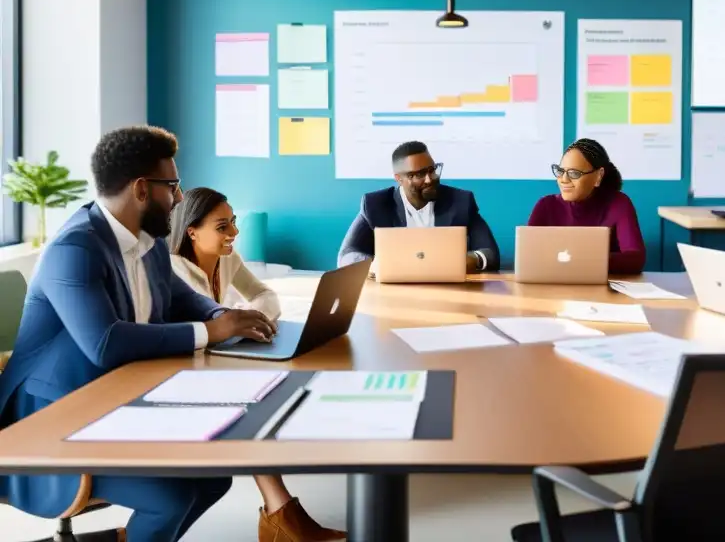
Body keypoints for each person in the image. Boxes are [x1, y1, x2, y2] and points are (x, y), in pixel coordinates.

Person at [0, 126, 276, 542]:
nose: (180, 198)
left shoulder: (149, 243)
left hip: (113, 404)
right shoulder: (74, 249)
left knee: (215, 476)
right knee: (170, 495)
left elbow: (188, 301)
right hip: (51, 422)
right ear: (142, 190)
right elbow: (104, 343)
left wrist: (228, 317)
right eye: (174, 186)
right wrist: (210, 331)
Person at [169, 187, 345, 541]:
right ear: (192, 231)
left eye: (233, 222)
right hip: (180, 369)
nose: (233, 233)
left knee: (277, 382)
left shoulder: (228, 258)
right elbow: (206, 326)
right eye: (222, 226)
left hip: (217, 359)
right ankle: (282, 517)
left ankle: (280, 513)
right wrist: (235, 323)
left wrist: (251, 320)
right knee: (253, 401)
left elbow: (266, 296)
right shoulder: (174, 269)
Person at [337, 141, 499, 272]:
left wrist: (467, 259)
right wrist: (376, 265)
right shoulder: (375, 204)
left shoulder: (460, 201)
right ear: (399, 179)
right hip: (394, 295)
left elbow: (491, 254)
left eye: (432, 170)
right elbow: (347, 255)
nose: (429, 179)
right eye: (419, 174)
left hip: (449, 290)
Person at [527, 138, 646, 274]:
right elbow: (528, 257)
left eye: (574, 173)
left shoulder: (619, 203)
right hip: (552, 288)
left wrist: (580, 261)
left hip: (603, 290)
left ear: (598, 176)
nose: (564, 179)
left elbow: (636, 259)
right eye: (560, 171)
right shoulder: (545, 205)